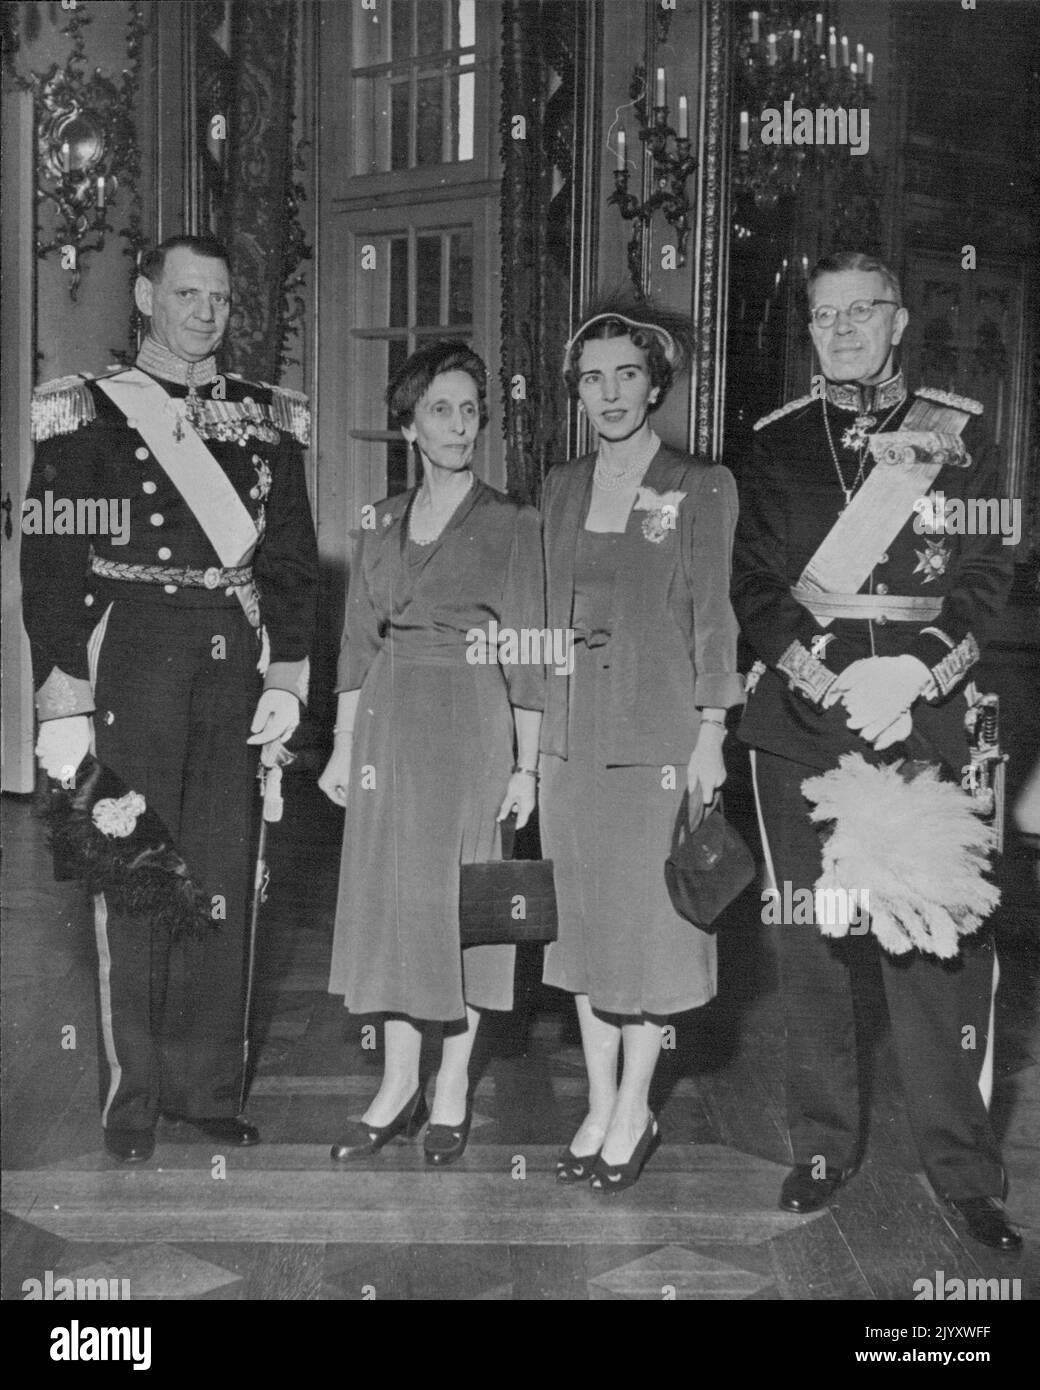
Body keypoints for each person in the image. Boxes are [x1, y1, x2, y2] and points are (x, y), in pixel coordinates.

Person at [731, 250, 1020, 1251]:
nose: (844, 328)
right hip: (803, 725)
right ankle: (819, 1144)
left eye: (863, 310)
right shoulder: (770, 444)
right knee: (810, 946)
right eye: (824, 315)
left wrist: (913, 673)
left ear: (898, 320)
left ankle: (962, 1172)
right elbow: (756, 588)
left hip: (928, 718)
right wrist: (832, 679)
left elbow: (987, 573)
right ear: (807, 329)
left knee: (935, 952)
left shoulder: (962, 433)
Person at [21, 234, 318, 1163]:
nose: (204, 312)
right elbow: (49, 558)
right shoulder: (85, 413)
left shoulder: (268, 420)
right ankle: (134, 1096)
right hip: (132, 650)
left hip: (230, 656)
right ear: (146, 295)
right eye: (186, 293)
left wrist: (289, 674)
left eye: (220, 298)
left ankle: (205, 1087)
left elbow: (293, 562)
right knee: (136, 865)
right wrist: (62, 691)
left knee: (225, 873)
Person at [320, 341, 544, 1167]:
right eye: (441, 410)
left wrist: (526, 767)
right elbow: (354, 644)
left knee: (465, 903)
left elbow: (527, 656)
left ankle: (451, 1089)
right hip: (385, 721)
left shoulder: (515, 522)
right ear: (408, 423)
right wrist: (343, 749)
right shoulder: (379, 520)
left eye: (470, 410)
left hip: (472, 721)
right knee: (393, 902)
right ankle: (396, 1085)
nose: (460, 425)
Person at [539, 300, 744, 1192]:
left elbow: (716, 620)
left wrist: (710, 733)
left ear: (656, 385)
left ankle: (636, 1106)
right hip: (567, 743)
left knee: (649, 936)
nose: (611, 392)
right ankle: (598, 1098)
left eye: (628, 374)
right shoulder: (558, 486)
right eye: (593, 376)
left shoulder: (700, 485)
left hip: (658, 740)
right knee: (581, 935)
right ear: (577, 391)